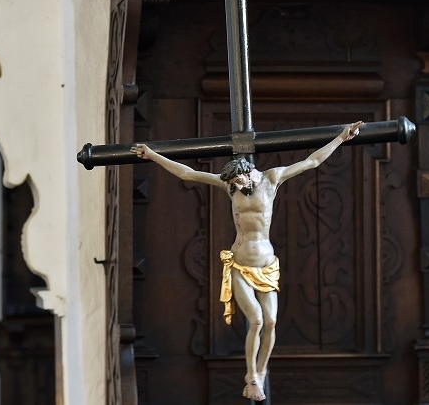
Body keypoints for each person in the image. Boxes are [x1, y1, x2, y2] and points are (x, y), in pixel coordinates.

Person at [130, 121, 362, 402]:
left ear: (247, 172)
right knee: (256, 320)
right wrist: (152, 155)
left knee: (271, 321)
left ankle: (261, 373)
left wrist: (340, 138)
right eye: (233, 185)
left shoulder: (272, 179)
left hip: (266, 265)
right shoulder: (230, 186)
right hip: (240, 264)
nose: (236, 188)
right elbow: (188, 173)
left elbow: (311, 161)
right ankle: (250, 376)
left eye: (239, 182)